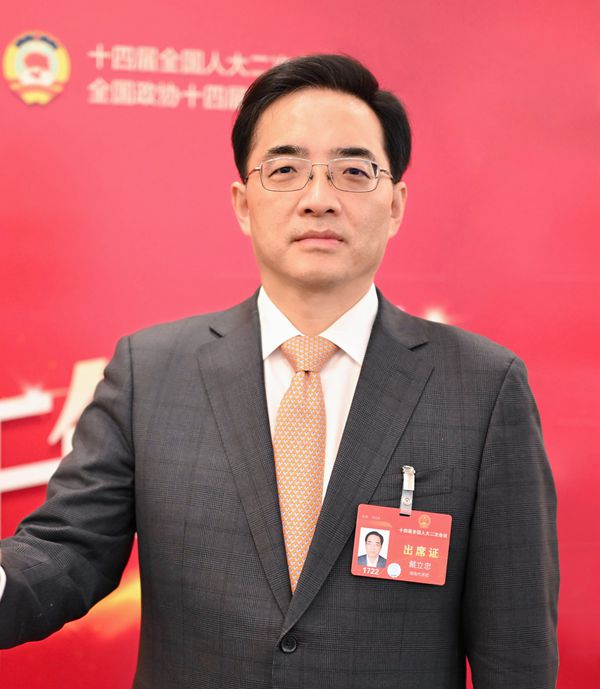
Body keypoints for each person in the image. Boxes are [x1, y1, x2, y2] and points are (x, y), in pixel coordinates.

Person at [0, 54, 559, 689]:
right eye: (286, 170)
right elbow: (68, 549)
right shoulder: (149, 372)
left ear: (396, 205)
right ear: (243, 203)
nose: (319, 200)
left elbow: (516, 645)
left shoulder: (482, 387)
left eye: (353, 172)